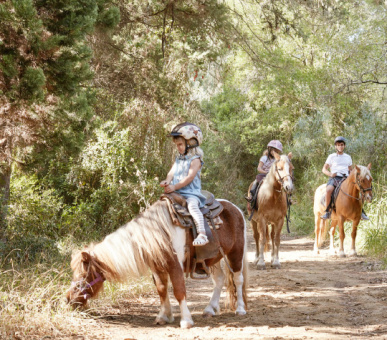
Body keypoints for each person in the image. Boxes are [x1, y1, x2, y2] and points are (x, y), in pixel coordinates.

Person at [160, 122, 209, 246]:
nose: (178, 148)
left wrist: (174, 186)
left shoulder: (195, 160)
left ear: (191, 142)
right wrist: (167, 181)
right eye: (177, 145)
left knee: (192, 206)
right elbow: (172, 172)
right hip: (177, 192)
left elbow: (189, 177)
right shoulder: (179, 158)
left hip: (191, 193)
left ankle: (202, 234)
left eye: (180, 144)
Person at [321, 136, 369, 220]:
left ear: (344, 146)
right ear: (336, 146)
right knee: (329, 190)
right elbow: (324, 169)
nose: (340, 146)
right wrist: (330, 174)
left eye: (342, 145)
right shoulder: (331, 156)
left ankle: (361, 211)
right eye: (338, 145)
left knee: (358, 189)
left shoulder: (348, 157)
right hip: (335, 178)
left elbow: (350, 170)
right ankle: (328, 211)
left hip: (346, 178)